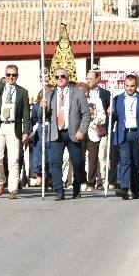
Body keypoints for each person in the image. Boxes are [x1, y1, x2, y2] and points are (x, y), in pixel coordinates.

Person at [0, 65, 30, 199]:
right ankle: (1, 181)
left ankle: (13, 189)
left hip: (13, 127)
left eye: (14, 75)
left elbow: (26, 114)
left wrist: (26, 130)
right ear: (5, 75)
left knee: (14, 159)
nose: (11, 77)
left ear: (17, 76)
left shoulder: (22, 92)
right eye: (8, 74)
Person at [45, 70, 89, 200]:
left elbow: (86, 114)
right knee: (55, 162)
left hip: (74, 132)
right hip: (56, 133)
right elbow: (42, 115)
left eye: (62, 76)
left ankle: (76, 186)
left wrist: (82, 130)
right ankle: (59, 190)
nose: (60, 78)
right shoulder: (49, 94)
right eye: (57, 76)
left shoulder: (78, 93)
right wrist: (42, 108)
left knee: (78, 162)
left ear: (68, 78)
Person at [109, 73, 139, 200]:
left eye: (132, 86)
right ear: (124, 85)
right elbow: (114, 119)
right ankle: (124, 188)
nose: (129, 88)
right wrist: (111, 112)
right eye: (127, 86)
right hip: (123, 134)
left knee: (135, 164)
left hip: (137, 135)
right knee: (125, 161)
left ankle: (135, 190)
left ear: (136, 85)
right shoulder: (117, 99)